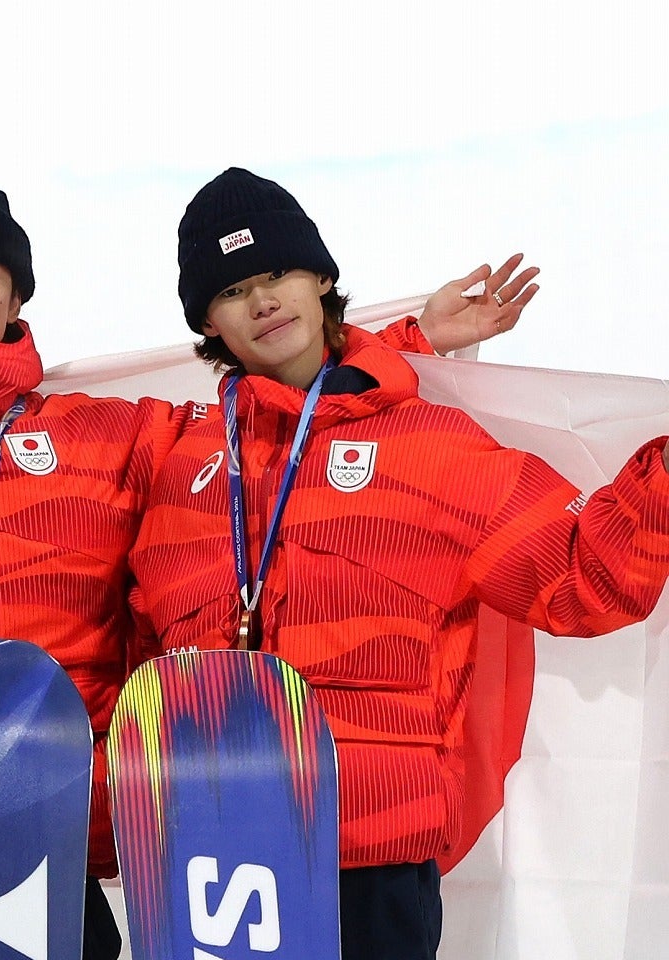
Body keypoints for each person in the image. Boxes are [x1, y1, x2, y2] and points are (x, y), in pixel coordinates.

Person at [0, 163, 537, 958]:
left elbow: (288, 415)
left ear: (16, 298)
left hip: (57, 831)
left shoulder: (106, 435)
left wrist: (410, 344)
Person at [128, 167, 669, 960]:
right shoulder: (182, 459)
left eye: (278, 273)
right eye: (235, 289)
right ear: (207, 321)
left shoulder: (435, 450)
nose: (264, 300)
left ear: (321, 280)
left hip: (370, 852)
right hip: (209, 849)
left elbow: (586, 578)